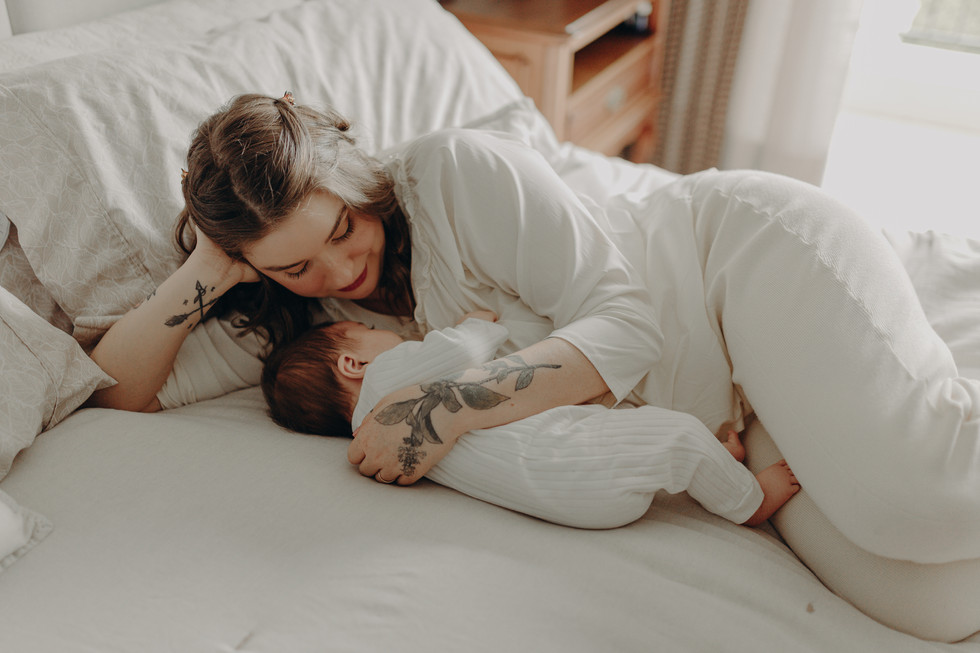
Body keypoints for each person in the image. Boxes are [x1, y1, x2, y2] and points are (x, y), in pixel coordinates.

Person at [86, 92, 980, 566]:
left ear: (353, 175)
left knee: (923, 503)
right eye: (295, 265)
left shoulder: (451, 173)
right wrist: (211, 262)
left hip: (726, 271)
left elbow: (625, 324)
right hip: (726, 404)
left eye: (344, 227)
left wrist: (443, 410)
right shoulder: (309, 323)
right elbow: (123, 390)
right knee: (926, 598)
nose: (340, 268)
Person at [260, 312, 800, 528]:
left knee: (644, 438)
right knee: (674, 435)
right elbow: (455, 351)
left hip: (561, 495)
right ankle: (747, 500)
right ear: (352, 363)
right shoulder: (385, 383)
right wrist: (479, 326)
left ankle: (709, 461)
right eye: (364, 327)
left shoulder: (373, 442)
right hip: (565, 459)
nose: (387, 331)